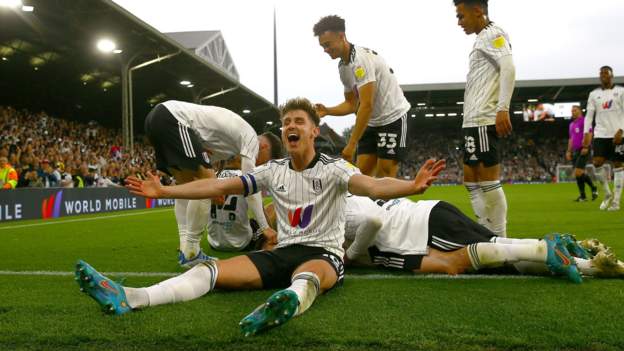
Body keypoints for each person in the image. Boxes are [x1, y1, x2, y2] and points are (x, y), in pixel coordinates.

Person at [75, 97, 445, 336]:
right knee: (208, 271)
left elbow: (372, 187)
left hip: (324, 256)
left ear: (314, 130)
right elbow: (216, 187)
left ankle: (287, 302)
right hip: (280, 253)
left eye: (298, 121)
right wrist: (165, 191)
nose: (290, 126)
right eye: (286, 122)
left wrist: (412, 186)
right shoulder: (272, 171)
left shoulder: (335, 168)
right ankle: (131, 297)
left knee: (308, 274)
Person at [340, 195, 621, 280]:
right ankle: (587, 258)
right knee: (500, 251)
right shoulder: (361, 196)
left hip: (425, 228)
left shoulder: (378, 248)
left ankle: (546, 249)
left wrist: (351, 256)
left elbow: (449, 265)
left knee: (474, 257)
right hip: (434, 208)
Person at [143, 100, 283, 267]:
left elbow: (206, 161)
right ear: (264, 147)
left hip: (156, 119)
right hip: (174, 118)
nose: (258, 166)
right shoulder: (251, 138)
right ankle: (191, 250)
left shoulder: (229, 145)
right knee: (206, 188)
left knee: (186, 188)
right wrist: (265, 227)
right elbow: (250, 187)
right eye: (262, 162)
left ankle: (185, 248)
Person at [312, 15, 411, 177]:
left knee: (384, 175)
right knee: (361, 175)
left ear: (341, 36)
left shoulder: (360, 60)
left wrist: (351, 144)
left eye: (328, 45)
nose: (325, 50)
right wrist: (328, 110)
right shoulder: (343, 67)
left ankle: (388, 202)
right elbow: (351, 104)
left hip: (393, 118)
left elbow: (366, 105)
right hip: (372, 122)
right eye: (323, 46)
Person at [455, 0, 515, 237]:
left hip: (484, 117)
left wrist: (502, 108)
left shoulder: (494, 33)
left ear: (478, 10)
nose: (459, 22)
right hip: (471, 120)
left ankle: (500, 237)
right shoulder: (480, 38)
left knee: (488, 178)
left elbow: (508, 67)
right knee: (470, 179)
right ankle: (486, 230)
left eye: (461, 16)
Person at [582, 66, 624, 211]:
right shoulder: (594, 94)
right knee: (597, 163)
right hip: (600, 134)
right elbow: (589, 116)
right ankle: (607, 194)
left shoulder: (621, 91)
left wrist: (622, 130)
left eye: (606, 73)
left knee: (618, 165)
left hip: (617, 134)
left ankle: (616, 201)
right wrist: (587, 133)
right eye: (601, 73)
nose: (603, 76)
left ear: (612, 75)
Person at [206, 156, 267, 252]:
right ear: (238, 158)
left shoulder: (211, 178)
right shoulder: (248, 178)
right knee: (270, 209)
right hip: (242, 243)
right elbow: (261, 213)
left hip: (214, 243)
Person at [566, 105, 598, 202]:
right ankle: (583, 196)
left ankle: (593, 188)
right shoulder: (571, 124)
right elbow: (571, 139)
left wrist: (586, 146)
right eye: (572, 111)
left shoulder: (585, 121)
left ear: (580, 111)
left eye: (575, 110)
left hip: (583, 149)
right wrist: (568, 151)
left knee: (578, 172)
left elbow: (590, 133)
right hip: (575, 150)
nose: (573, 112)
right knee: (578, 174)